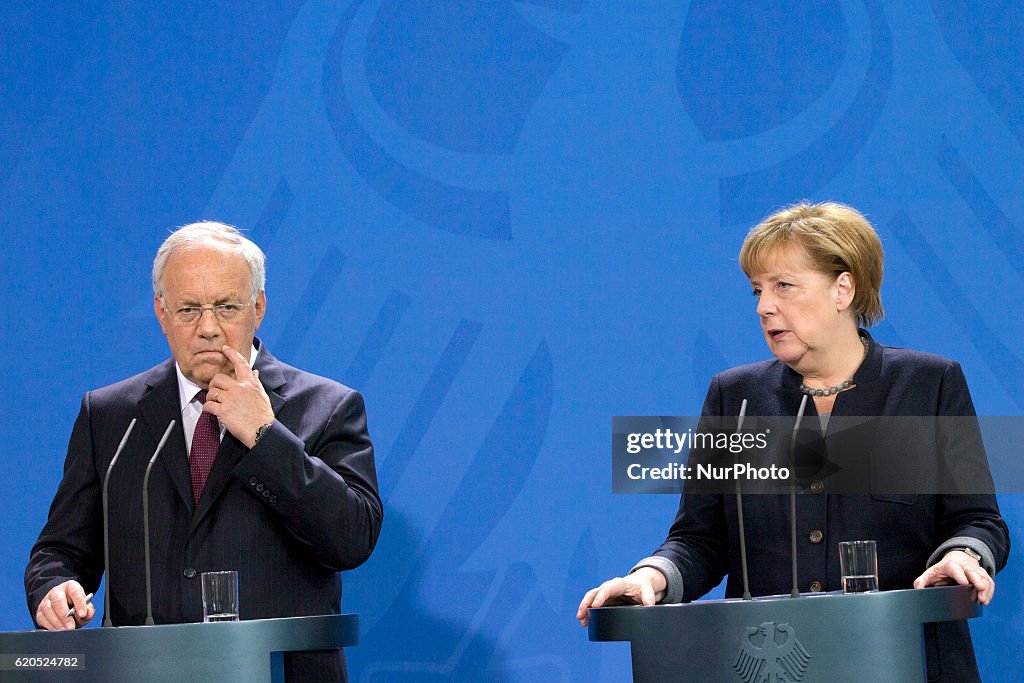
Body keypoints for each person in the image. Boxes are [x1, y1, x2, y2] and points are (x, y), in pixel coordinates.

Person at [577, 202, 1009, 681]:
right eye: (758, 290)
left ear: (843, 289)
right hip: (773, 667)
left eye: (784, 286)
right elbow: (699, 539)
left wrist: (961, 556)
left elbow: (976, 519)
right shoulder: (734, 397)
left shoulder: (928, 385)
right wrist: (650, 577)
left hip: (909, 661)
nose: (764, 306)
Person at [26, 221, 383, 680]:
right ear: (161, 311)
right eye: (189, 309)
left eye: (226, 307)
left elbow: (351, 539)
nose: (208, 328)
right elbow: (60, 549)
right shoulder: (112, 416)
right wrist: (54, 588)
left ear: (258, 307)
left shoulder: (328, 407)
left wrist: (265, 436)